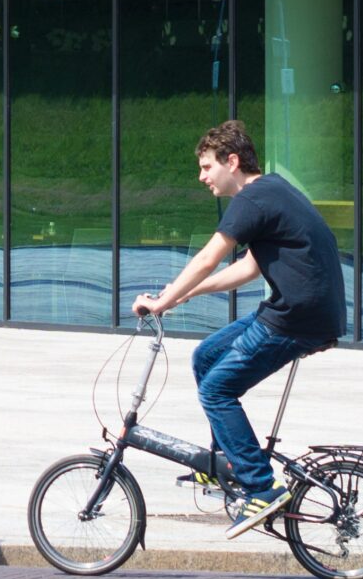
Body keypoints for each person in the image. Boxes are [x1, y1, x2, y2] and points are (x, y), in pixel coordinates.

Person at [131, 119, 345, 538]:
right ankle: (223, 463)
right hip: (297, 310)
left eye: (207, 166)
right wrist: (180, 296)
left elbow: (210, 258)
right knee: (206, 356)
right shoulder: (271, 192)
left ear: (233, 161)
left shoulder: (252, 200)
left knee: (216, 390)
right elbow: (248, 268)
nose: (202, 177)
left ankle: (261, 487)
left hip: (295, 317)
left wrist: (164, 300)